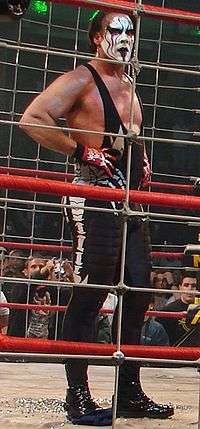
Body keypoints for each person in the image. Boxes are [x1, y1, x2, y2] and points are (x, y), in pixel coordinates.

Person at [19, 11, 174, 424]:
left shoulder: (129, 83)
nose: (124, 37)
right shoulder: (81, 79)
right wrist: (79, 150)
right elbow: (33, 119)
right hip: (92, 197)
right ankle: (78, 397)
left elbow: (130, 137)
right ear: (95, 37)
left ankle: (129, 394)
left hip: (130, 201)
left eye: (130, 30)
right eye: (115, 30)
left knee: (139, 293)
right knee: (90, 293)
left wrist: (144, 163)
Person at [156, 272, 199, 346]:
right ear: (180, 287)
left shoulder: (198, 306)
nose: (190, 289)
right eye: (186, 285)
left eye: (193, 286)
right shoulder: (169, 310)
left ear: (197, 289)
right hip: (175, 351)